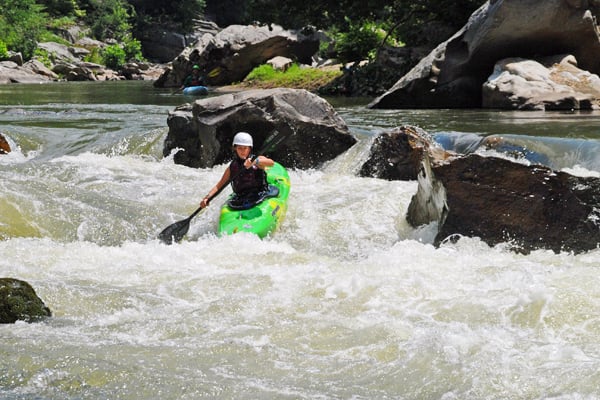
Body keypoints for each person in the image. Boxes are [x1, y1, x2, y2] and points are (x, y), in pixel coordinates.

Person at [200, 132, 276, 210]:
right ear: (235, 148)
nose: (242, 151)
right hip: (242, 198)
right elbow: (219, 186)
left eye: (245, 148)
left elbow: (271, 163)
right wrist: (207, 197)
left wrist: (255, 162)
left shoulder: (257, 159)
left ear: (249, 149)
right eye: (239, 148)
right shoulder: (232, 167)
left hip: (260, 194)